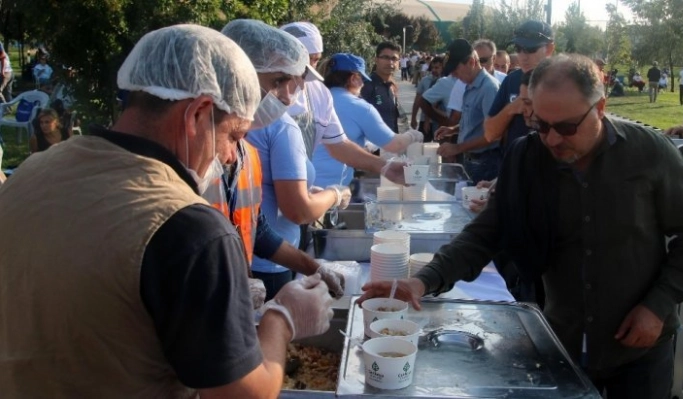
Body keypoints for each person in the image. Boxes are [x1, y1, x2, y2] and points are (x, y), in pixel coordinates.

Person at [0, 24, 334, 397]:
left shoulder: (31, 172)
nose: (228, 157)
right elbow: (243, 394)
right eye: (234, 137)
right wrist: (282, 318)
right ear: (197, 115)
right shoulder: (188, 226)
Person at [358, 54, 683, 399]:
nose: (553, 140)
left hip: (639, 350)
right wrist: (423, 280)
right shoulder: (526, 156)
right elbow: (488, 232)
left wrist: (658, 305)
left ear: (599, 108)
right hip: (560, 339)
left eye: (567, 127)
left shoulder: (650, 153)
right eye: (541, 125)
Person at [222, 19, 352, 300]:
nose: (287, 96)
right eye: (278, 81)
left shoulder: (243, 148)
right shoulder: (203, 154)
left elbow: (255, 226)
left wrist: (312, 266)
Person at [280, 22, 407, 186]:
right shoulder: (264, 93)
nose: (309, 70)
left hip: (315, 193)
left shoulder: (319, 92)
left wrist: (385, 167)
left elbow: (339, 145)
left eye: (315, 60)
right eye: (307, 60)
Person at [312, 53, 423, 187]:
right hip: (330, 187)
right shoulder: (358, 106)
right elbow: (394, 144)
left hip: (303, 183)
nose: (363, 85)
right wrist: (413, 135)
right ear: (354, 78)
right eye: (362, 80)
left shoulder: (313, 98)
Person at [434, 39, 501, 184]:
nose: (454, 75)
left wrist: (457, 147)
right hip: (472, 160)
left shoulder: (489, 88)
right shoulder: (470, 84)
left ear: (471, 62)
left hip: (484, 163)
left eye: (456, 70)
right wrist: (453, 130)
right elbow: (476, 123)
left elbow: (494, 134)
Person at [484, 20, 555, 151]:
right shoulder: (511, 80)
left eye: (531, 49)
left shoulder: (564, 82)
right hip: (514, 166)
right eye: (518, 49)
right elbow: (489, 134)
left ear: (549, 49)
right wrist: (513, 107)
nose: (523, 56)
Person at [361, 41, 402, 133]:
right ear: (376, 60)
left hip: (390, 143)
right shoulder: (366, 85)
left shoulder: (392, 86)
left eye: (394, 58)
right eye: (385, 57)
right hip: (371, 144)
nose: (390, 62)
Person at [410, 56, 443, 141]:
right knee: (423, 147)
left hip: (440, 122)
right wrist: (413, 118)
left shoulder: (445, 83)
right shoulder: (424, 81)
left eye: (437, 68)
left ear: (443, 68)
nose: (434, 70)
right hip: (424, 120)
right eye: (432, 67)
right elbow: (417, 100)